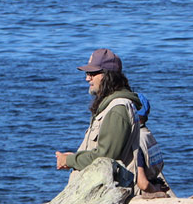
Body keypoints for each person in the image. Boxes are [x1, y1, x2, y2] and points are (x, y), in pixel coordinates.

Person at [55, 48, 142, 177]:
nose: (87, 78)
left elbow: (105, 158)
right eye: (87, 73)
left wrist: (69, 160)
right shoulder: (112, 106)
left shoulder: (117, 110)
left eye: (92, 73)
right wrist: (75, 157)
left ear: (108, 75)